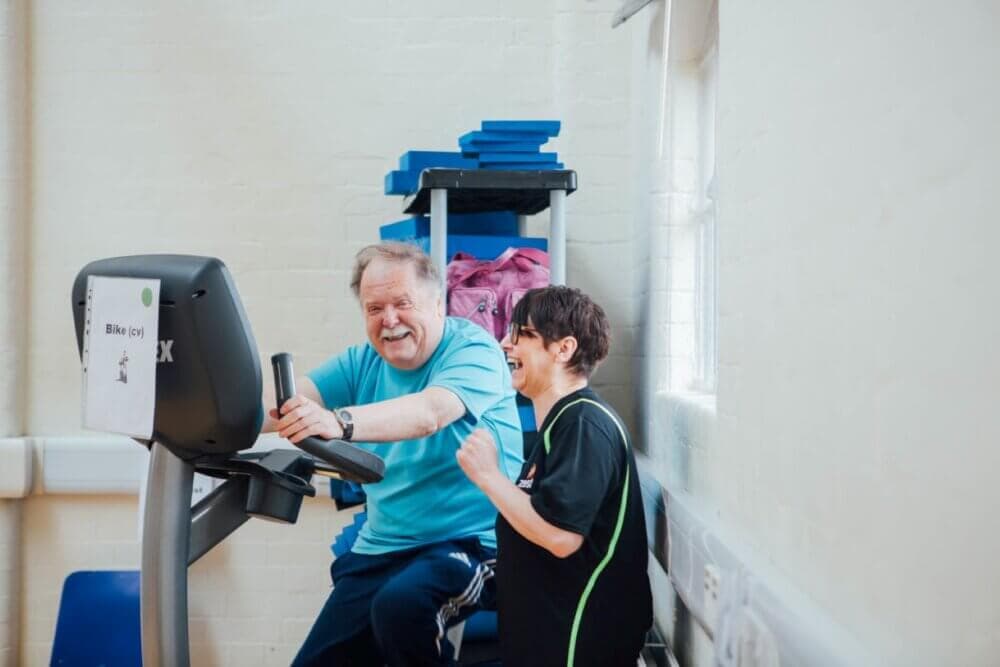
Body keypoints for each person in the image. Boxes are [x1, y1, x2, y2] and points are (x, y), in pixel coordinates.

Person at [264, 242, 524, 666]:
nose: (389, 320)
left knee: (402, 606)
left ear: (438, 305)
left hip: (471, 542)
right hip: (381, 548)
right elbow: (277, 405)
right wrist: (201, 418)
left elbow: (430, 413)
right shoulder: (362, 362)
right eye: (374, 308)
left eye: (403, 304)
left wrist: (338, 421)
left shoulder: (474, 351)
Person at [456, 285, 652, 667]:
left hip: (577, 643)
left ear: (564, 349)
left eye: (523, 335)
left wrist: (488, 476)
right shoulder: (561, 424)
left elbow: (560, 536)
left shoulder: (583, 424)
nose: (506, 344)